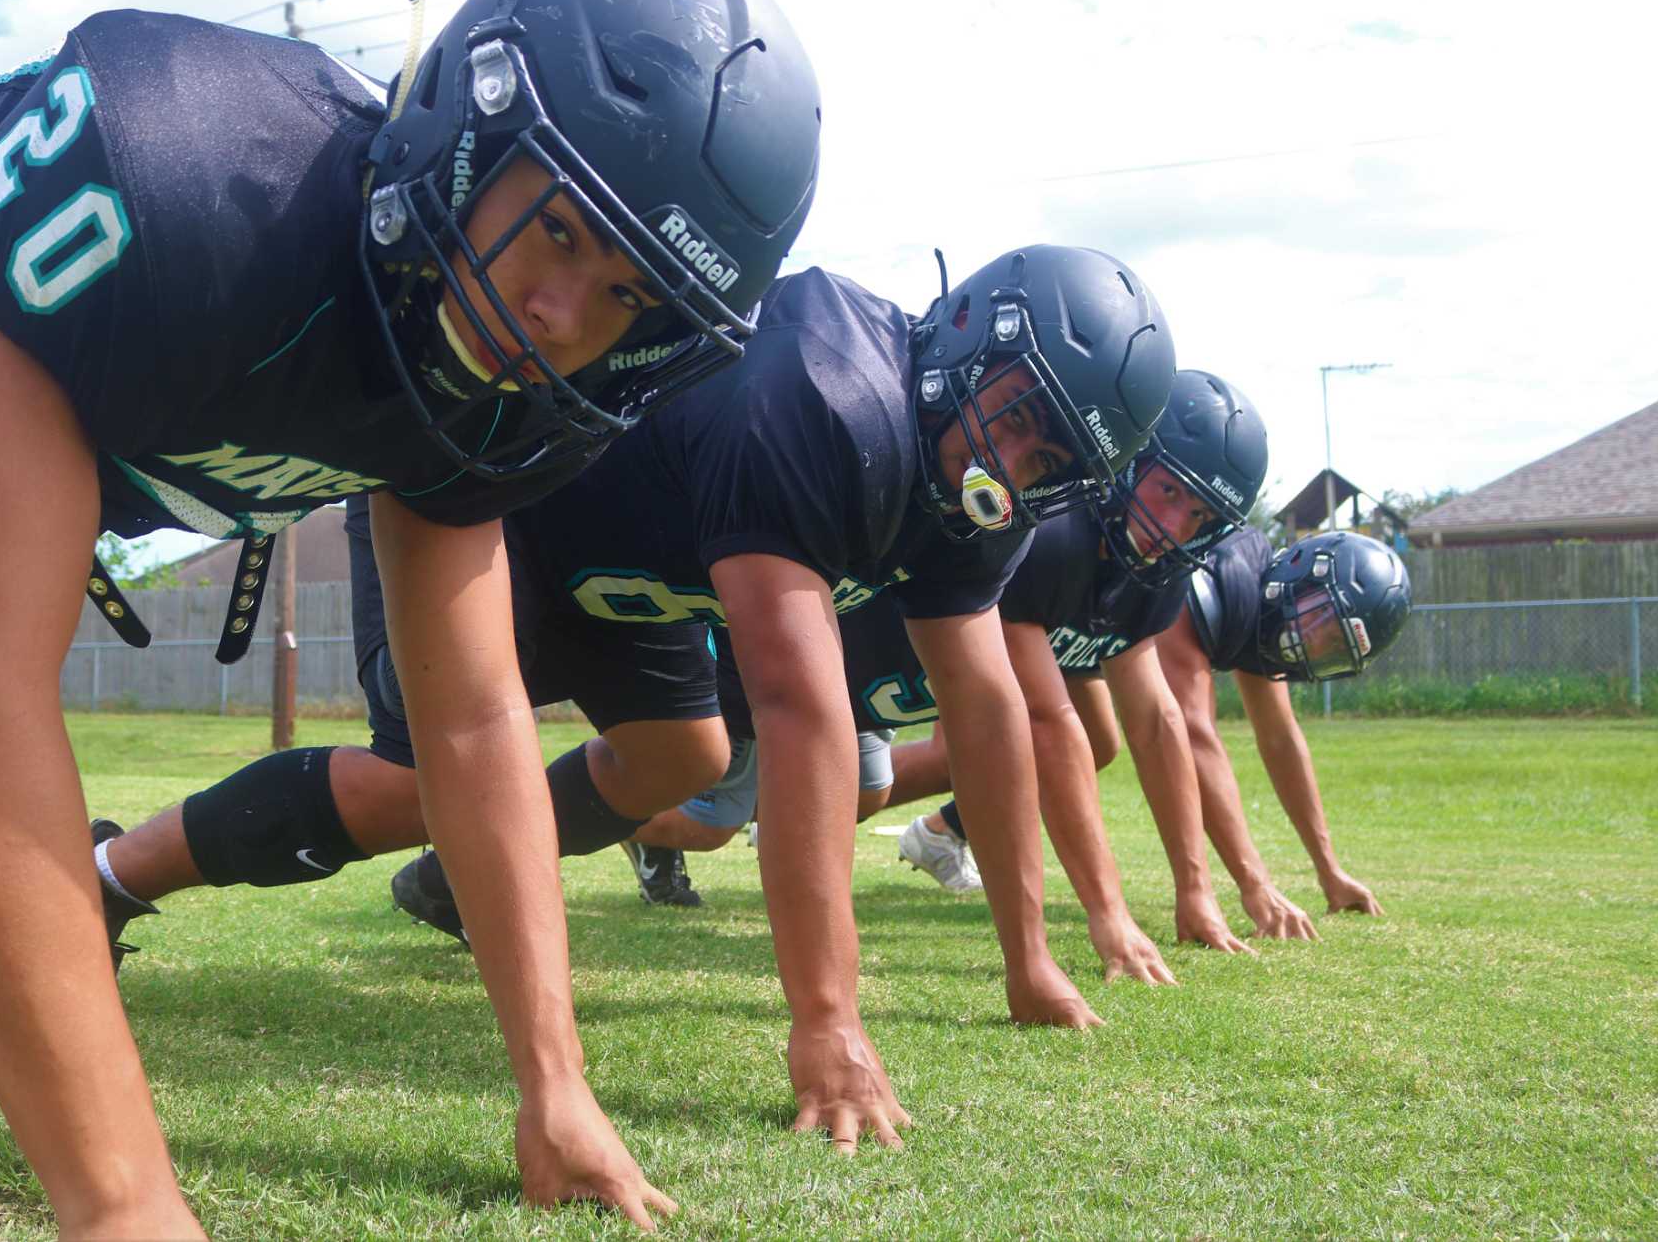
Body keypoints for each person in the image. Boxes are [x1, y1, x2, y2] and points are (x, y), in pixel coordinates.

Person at [0, 0, 820, 1235]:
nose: (561, 314)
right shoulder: (186, 167)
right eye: (561, 229)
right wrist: (126, 1205)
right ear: (474, 125)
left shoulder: (494, 397)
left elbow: (476, 719)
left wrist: (555, 1081)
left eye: (625, 293)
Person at [96, 245, 1179, 1150]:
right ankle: (112, 873)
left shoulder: (980, 500)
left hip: (628, 572)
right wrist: (825, 1022)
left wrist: (1027, 955)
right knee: (419, 780)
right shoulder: (827, 397)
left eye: (1050, 459)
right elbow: (803, 714)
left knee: (682, 757)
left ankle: (452, 884)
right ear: (962, 336)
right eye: (1015, 411)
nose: (1011, 458)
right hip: (496, 508)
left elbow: (987, 713)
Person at [808, 372, 1270, 971]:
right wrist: (1110, 913)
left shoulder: (1152, 572)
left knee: (1080, 741)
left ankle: (931, 829)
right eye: (1169, 492)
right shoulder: (1052, 529)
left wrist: (1197, 890)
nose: (1173, 527)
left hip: (896, 697)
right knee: (712, 798)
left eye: (1199, 515)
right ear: (1130, 464)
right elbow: (1048, 723)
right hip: (834, 666)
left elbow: (1158, 722)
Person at [1144, 526, 1412, 920]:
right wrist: (1256, 884)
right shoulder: (1221, 579)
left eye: (1335, 648)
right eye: (1324, 619)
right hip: (1059, 616)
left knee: (1096, 745)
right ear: (1301, 571)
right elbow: (1193, 733)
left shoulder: (1265, 613)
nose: (1315, 644)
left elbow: (1280, 738)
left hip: (1087, 657)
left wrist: (1329, 869)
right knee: (1087, 744)